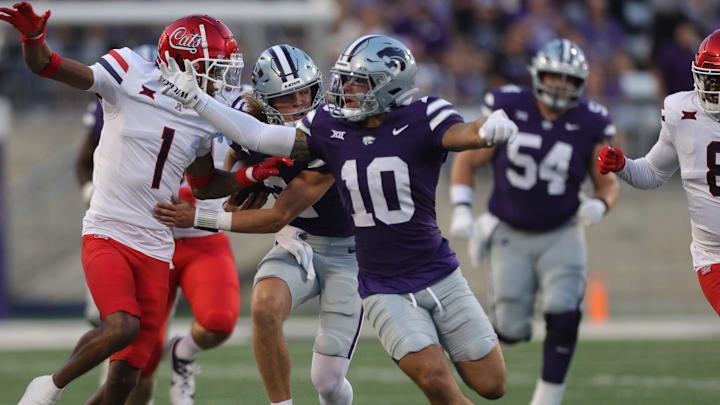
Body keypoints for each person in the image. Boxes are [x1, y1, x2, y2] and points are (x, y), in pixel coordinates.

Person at [158, 34, 516, 404]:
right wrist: (201, 105)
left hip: (395, 263)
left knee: (489, 385)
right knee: (433, 378)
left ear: (388, 86)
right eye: (343, 79)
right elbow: (256, 136)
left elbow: (462, 132)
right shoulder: (328, 125)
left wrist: (486, 129)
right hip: (351, 269)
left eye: (357, 82)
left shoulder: (408, 118)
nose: (344, 89)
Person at [0, 4, 288, 405]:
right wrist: (34, 39)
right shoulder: (128, 72)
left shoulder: (205, 114)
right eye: (213, 67)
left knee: (125, 382)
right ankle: (47, 388)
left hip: (155, 244)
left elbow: (204, 186)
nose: (221, 79)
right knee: (121, 327)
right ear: (181, 63)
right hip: (108, 229)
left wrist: (252, 176)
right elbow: (48, 66)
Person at [157, 44, 362, 405]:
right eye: (288, 97)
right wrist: (244, 179)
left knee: (328, 382)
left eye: (306, 91)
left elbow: (276, 215)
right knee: (265, 308)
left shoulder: (334, 131)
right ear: (265, 101)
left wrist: (200, 218)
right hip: (297, 242)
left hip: (349, 253)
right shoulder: (245, 120)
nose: (301, 103)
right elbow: (222, 181)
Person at [449, 38, 620, 405]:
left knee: (563, 310)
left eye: (568, 79)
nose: (559, 85)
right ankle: (480, 362)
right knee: (510, 327)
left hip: (563, 230)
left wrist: (601, 206)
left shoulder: (591, 121)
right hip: (510, 230)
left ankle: (548, 398)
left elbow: (607, 181)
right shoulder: (508, 105)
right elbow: (468, 159)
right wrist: (462, 207)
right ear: (538, 75)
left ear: (580, 83)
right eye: (553, 76)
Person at [598, 29, 720, 318]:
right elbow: (653, 172)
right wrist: (624, 166)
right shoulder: (681, 112)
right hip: (714, 256)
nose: (710, 87)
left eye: (717, 80)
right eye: (708, 78)